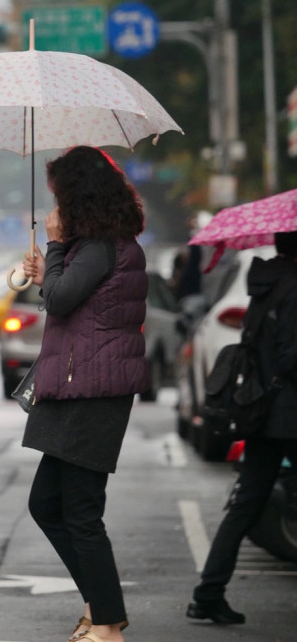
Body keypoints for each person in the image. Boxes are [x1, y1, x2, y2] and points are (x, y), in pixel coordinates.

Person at [20, 146, 148, 642]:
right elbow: (67, 296)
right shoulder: (99, 245)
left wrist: (53, 249)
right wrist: (49, 267)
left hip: (91, 390)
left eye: (60, 194)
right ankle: (102, 608)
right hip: (82, 386)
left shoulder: (98, 245)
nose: (56, 206)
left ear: (78, 196)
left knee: (79, 511)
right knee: (47, 504)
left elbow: (59, 300)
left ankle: (108, 625)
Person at [186, 230, 297, 625]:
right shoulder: (294, 286)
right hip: (288, 412)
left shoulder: (265, 282)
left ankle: (208, 593)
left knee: (245, 505)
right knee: (247, 503)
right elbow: (292, 354)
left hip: (263, 409)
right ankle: (208, 594)